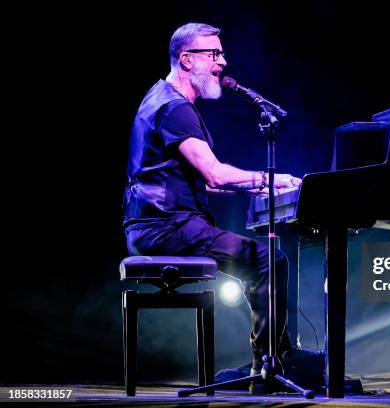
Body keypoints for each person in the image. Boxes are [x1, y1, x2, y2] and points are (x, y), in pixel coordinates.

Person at [123, 22, 322, 390]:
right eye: (213, 54)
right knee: (268, 260)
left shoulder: (160, 98)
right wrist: (274, 180)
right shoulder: (173, 108)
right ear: (186, 60)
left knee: (261, 261)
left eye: (221, 53)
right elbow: (214, 174)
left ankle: (269, 358)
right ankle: (272, 365)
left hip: (153, 223)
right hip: (165, 228)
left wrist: (252, 189)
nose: (223, 62)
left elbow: (192, 180)